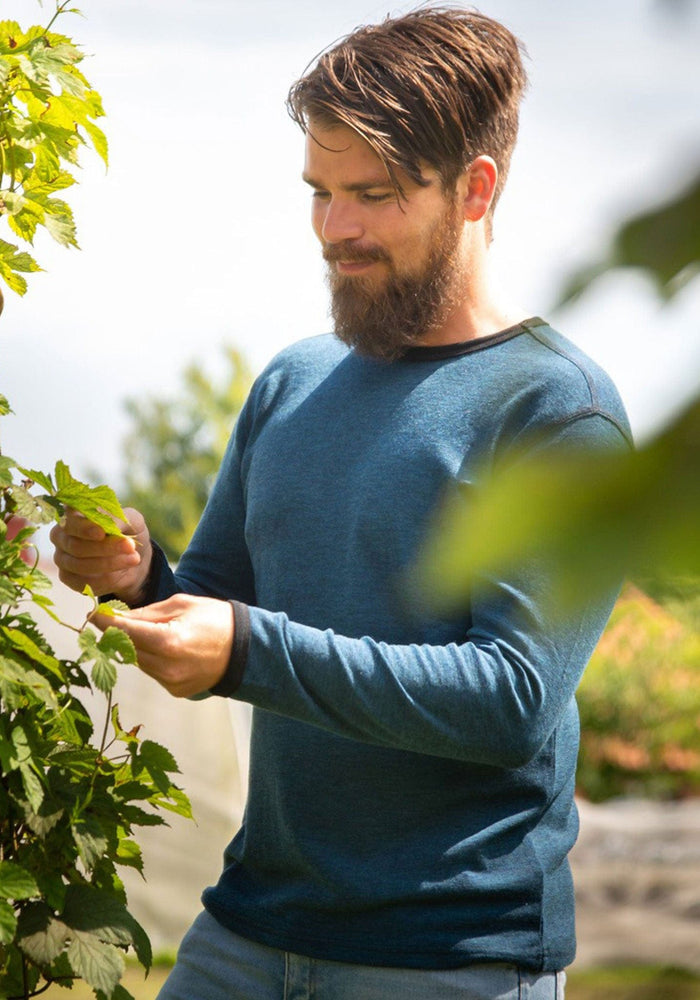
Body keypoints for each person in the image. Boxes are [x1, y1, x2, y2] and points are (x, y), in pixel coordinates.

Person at [51, 7, 632, 999]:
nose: (335, 228)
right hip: (245, 928)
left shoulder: (557, 414)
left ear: (474, 188)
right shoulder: (291, 382)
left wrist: (243, 645)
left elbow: (510, 700)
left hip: (452, 958)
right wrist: (141, 577)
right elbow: (217, 605)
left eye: (373, 194)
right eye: (319, 191)